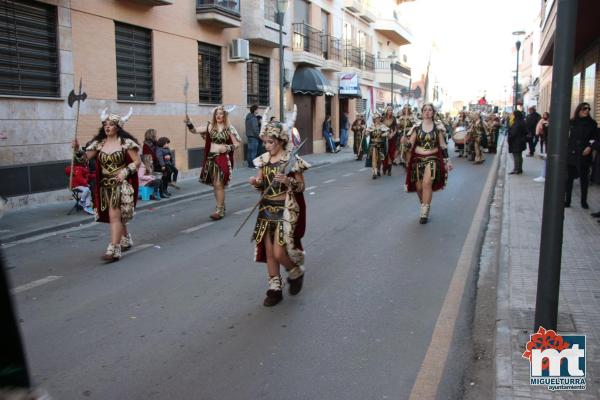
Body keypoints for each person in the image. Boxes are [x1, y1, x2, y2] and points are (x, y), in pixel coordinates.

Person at [249, 105, 308, 307]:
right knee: (268, 252)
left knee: (278, 252)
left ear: (281, 140)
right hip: (266, 210)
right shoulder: (263, 160)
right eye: (264, 142)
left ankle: (295, 271)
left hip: (285, 211)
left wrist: (288, 182)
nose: (266, 146)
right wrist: (256, 183)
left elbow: (301, 187)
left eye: (270, 142)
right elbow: (261, 183)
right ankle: (274, 288)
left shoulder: (292, 160)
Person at [80, 108, 141, 261]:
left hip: (120, 185)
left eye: (111, 124)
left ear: (118, 127)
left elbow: (137, 162)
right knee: (116, 216)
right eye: (105, 124)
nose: (107, 127)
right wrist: (76, 150)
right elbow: (84, 159)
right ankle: (125, 238)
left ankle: (114, 249)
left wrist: (124, 172)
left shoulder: (126, 143)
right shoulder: (99, 144)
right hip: (104, 185)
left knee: (114, 216)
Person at [185, 106, 240, 220]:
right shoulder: (209, 126)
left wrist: (228, 148)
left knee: (219, 183)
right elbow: (194, 130)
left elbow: (237, 144)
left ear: (224, 115)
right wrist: (189, 122)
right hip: (211, 158)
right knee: (215, 185)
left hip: (223, 158)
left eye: (221, 114)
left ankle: (219, 211)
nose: (218, 116)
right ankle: (221, 207)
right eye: (217, 114)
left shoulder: (229, 128)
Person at [405, 103, 452, 224]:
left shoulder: (438, 127)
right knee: (419, 187)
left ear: (433, 112)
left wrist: (447, 160)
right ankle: (424, 204)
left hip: (432, 159)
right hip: (417, 159)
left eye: (430, 110)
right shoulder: (416, 126)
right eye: (425, 110)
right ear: (422, 112)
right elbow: (410, 145)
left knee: (427, 184)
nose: (427, 112)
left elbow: (442, 145)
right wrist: (405, 142)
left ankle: (424, 213)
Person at [565, 102, 598, 209]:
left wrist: (590, 147)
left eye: (589, 109)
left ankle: (584, 201)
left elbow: (595, 138)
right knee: (569, 179)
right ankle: (567, 200)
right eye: (584, 108)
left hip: (584, 154)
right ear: (579, 110)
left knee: (584, 179)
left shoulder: (592, 124)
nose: (587, 110)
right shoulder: (572, 122)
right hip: (572, 154)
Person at [65, 151, 94, 215]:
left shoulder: (81, 168)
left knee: (88, 191)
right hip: (76, 185)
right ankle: (82, 201)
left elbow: (87, 175)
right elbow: (79, 178)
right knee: (87, 189)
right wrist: (86, 184)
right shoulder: (77, 169)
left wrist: (95, 175)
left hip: (80, 185)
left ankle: (87, 206)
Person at [366, 112, 390, 179]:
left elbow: (388, 131)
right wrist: (365, 132)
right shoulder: (371, 126)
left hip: (380, 144)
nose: (377, 119)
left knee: (379, 159)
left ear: (380, 119)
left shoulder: (382, 126)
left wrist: (385, 134)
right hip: (373, 144)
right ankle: (374, 172)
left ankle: (378, 169)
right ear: (374, 119)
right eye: (375, 118)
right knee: (373, 157)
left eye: (378, 118)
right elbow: (367, 134)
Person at [507, 110, 527, 175]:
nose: (512, 115)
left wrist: (509, 138)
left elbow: (513, 133)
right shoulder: (522, 121)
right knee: (519, 155)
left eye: (513, 114)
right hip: (520, 141)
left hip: (516, 141)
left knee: (516, 155)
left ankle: (516, 169)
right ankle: (519, 169)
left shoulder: (517, 122)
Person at [382, 105, 398, 176]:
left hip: (392, 139)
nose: (390, 111)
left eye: (391, 110)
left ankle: (389, 169)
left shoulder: (394, 119)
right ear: (386, 111)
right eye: (389, 110)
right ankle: (384, 167)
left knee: (390, 153)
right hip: (384, 138)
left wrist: (392, 134)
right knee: (384, 153)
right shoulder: (382, 118)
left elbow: (396, 128)